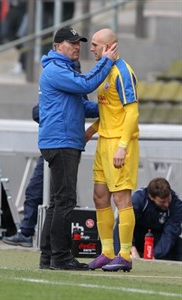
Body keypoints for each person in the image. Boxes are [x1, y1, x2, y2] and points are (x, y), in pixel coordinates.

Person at [38, 26, 118, 271]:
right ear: (57, 47)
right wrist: (106, 62)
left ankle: (48, 258)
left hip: (61, 141)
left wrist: (112, 106)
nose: (77, 47)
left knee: (57, 201)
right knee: (65, 201)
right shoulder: (56, 70)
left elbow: (83, 106)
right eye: (71, 43)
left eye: (78, 43)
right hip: (62, 141)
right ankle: (60, 258)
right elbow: (86, 85)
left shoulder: (62, 70)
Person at [86, 28, 139, 272]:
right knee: (100, 196)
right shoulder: (105, 72)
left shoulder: (123, 72)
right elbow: (109, 111)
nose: (91, 48)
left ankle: (125, 255)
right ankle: (107, 252)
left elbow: (131, 112)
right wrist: (91, 131)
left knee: (122, 198)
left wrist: (121, 146)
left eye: (96, 44)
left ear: (110, 46)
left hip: (119, 144)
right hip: (103, 142)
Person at [2, 104, 43, 247]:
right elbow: (36, 112)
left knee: (61, 198)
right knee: (34, 192)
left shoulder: (74, 84)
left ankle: (57, 242)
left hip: (63, 146)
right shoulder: (53, 84)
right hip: (50, 146)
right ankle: (26, 232)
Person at [114, 178, 182, 261]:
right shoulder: (139, 199)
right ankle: (120, 255)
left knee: (178, 245)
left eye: (168, 199)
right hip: (137, 235)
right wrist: (131, 248)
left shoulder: (176, 205)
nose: (167, 204)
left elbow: (170, 233)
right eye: (162, 202)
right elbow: (125, 222)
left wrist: (154, 255)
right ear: (151, 197)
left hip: (157, 237)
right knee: (122, 222)